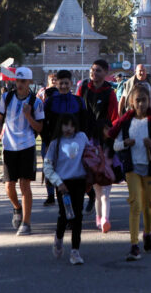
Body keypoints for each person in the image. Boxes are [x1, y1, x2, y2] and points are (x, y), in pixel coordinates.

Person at [108, 85, 151, 261]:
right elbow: (115, 145)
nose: (141, 104)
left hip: (150, 167)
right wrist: (125, 143)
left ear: (150, 101)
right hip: (132, 168)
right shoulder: (125, 122)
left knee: (148, 205)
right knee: (135, 204)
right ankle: (134, 245)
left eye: (144, 100)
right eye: (138, 100)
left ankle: (148, 233)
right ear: (131, 102)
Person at [0, 67, 44, 236]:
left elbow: (40, 128)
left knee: (25, 185)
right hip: (9, 146)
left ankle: (26, 223)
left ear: (29, 82)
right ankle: (17, 208)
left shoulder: (36, 102)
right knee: (9, 186)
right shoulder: (7, 97)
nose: (19, 84)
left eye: (23, 81)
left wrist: (29, 116)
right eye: (17, 81)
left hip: (27, 145)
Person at [76, 59, 119, 233]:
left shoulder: (110, 92)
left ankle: (104, 219)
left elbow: (115, 117)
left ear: (106, 72)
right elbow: (77, 109)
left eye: (98, 70)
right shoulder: (83, 88)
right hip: (85, 138)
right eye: (92, 70)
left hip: (103, 140)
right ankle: (97, 215)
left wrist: (111, 135)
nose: (94, 73)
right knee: (89, 179)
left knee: (104, 180)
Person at [43, 113, 89, 265]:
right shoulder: (56, 143)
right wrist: (58, 182)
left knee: (77, 217)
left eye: (71, 125)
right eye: (65, 125)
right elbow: (47, 167)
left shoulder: (82, 137)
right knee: (64, 215)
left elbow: (90, 155)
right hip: (63, 184)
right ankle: (58, 238)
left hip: (79, 181)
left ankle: (75, 251)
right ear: (60, 126)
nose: (68, 129)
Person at [43, 70, 88, 206]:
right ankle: (59, 203)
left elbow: (84, 124)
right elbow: (44, 124)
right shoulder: (50, 102)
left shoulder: (78, 101)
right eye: (60, 83)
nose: (63, 86)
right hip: (54, 143)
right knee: (55, 173)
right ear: (56, 83)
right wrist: (47, 142)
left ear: (71, 83)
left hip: (75, 143)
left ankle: (78, 204)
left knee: (74, 173)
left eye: (66, 83)